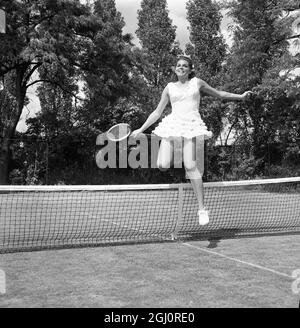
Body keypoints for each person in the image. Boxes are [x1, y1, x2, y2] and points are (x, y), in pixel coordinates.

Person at [131, 55, 252, 226]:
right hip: (172, 127)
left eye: (185, 65)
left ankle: (202, 209)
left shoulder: (198, 83)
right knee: (163, 165)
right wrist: (141, 129)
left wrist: (240, 97)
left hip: (191, 127)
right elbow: (157, 112)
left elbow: (219, 94)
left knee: (190, 166)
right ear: (175, 69)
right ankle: (175, 152)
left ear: (189, 69)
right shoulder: (169, 88)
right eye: (178, 65)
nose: (181, 67)